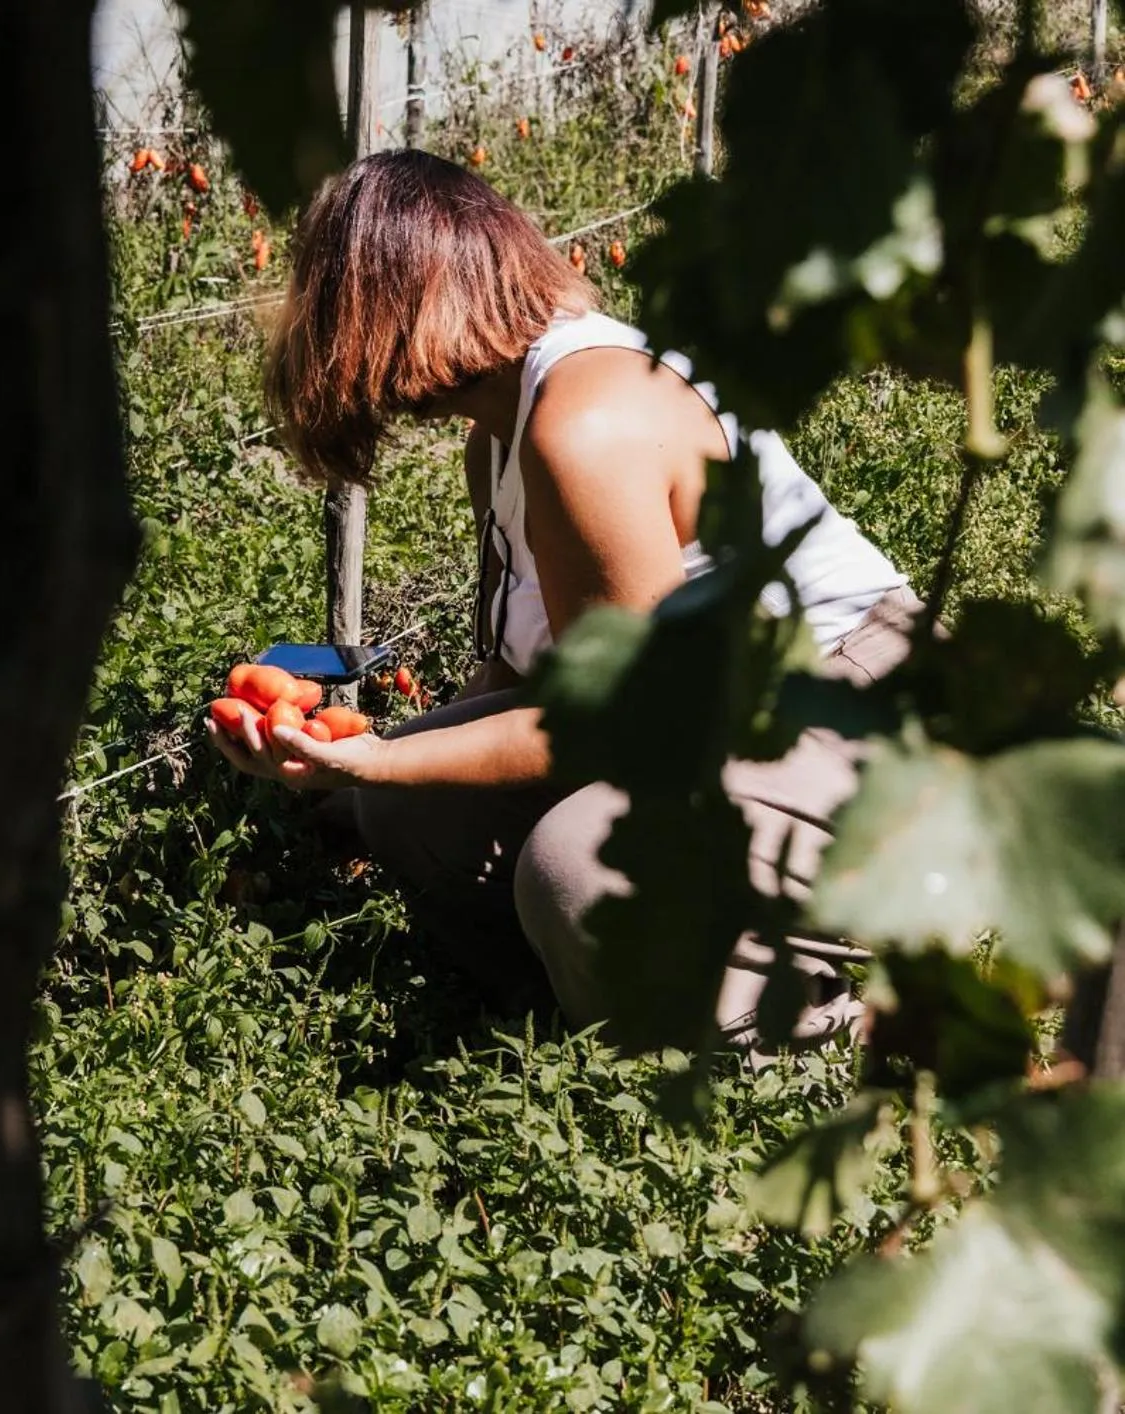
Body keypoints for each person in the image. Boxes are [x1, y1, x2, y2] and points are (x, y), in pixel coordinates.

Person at [207, 150, 919, 1054]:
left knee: (576, 868)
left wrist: (378, 764)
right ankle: (600, 1001)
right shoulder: (499, 440)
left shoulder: (582, 421)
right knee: (410, 810)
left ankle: (816, 1034)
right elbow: (524, 671)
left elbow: (626, 721)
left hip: (845, 700)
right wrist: (361, 781)